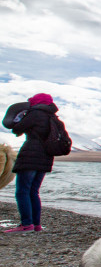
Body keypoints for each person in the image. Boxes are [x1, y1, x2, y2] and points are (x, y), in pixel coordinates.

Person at [3, 93, 61, 233]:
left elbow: (16, 128)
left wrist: (21, 116)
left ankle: (26, 224)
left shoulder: (35, 114)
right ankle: (36, 225)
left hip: (30, 156)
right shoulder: (53, 118)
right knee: (34, 191)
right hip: (46, 158)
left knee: (22, 191)